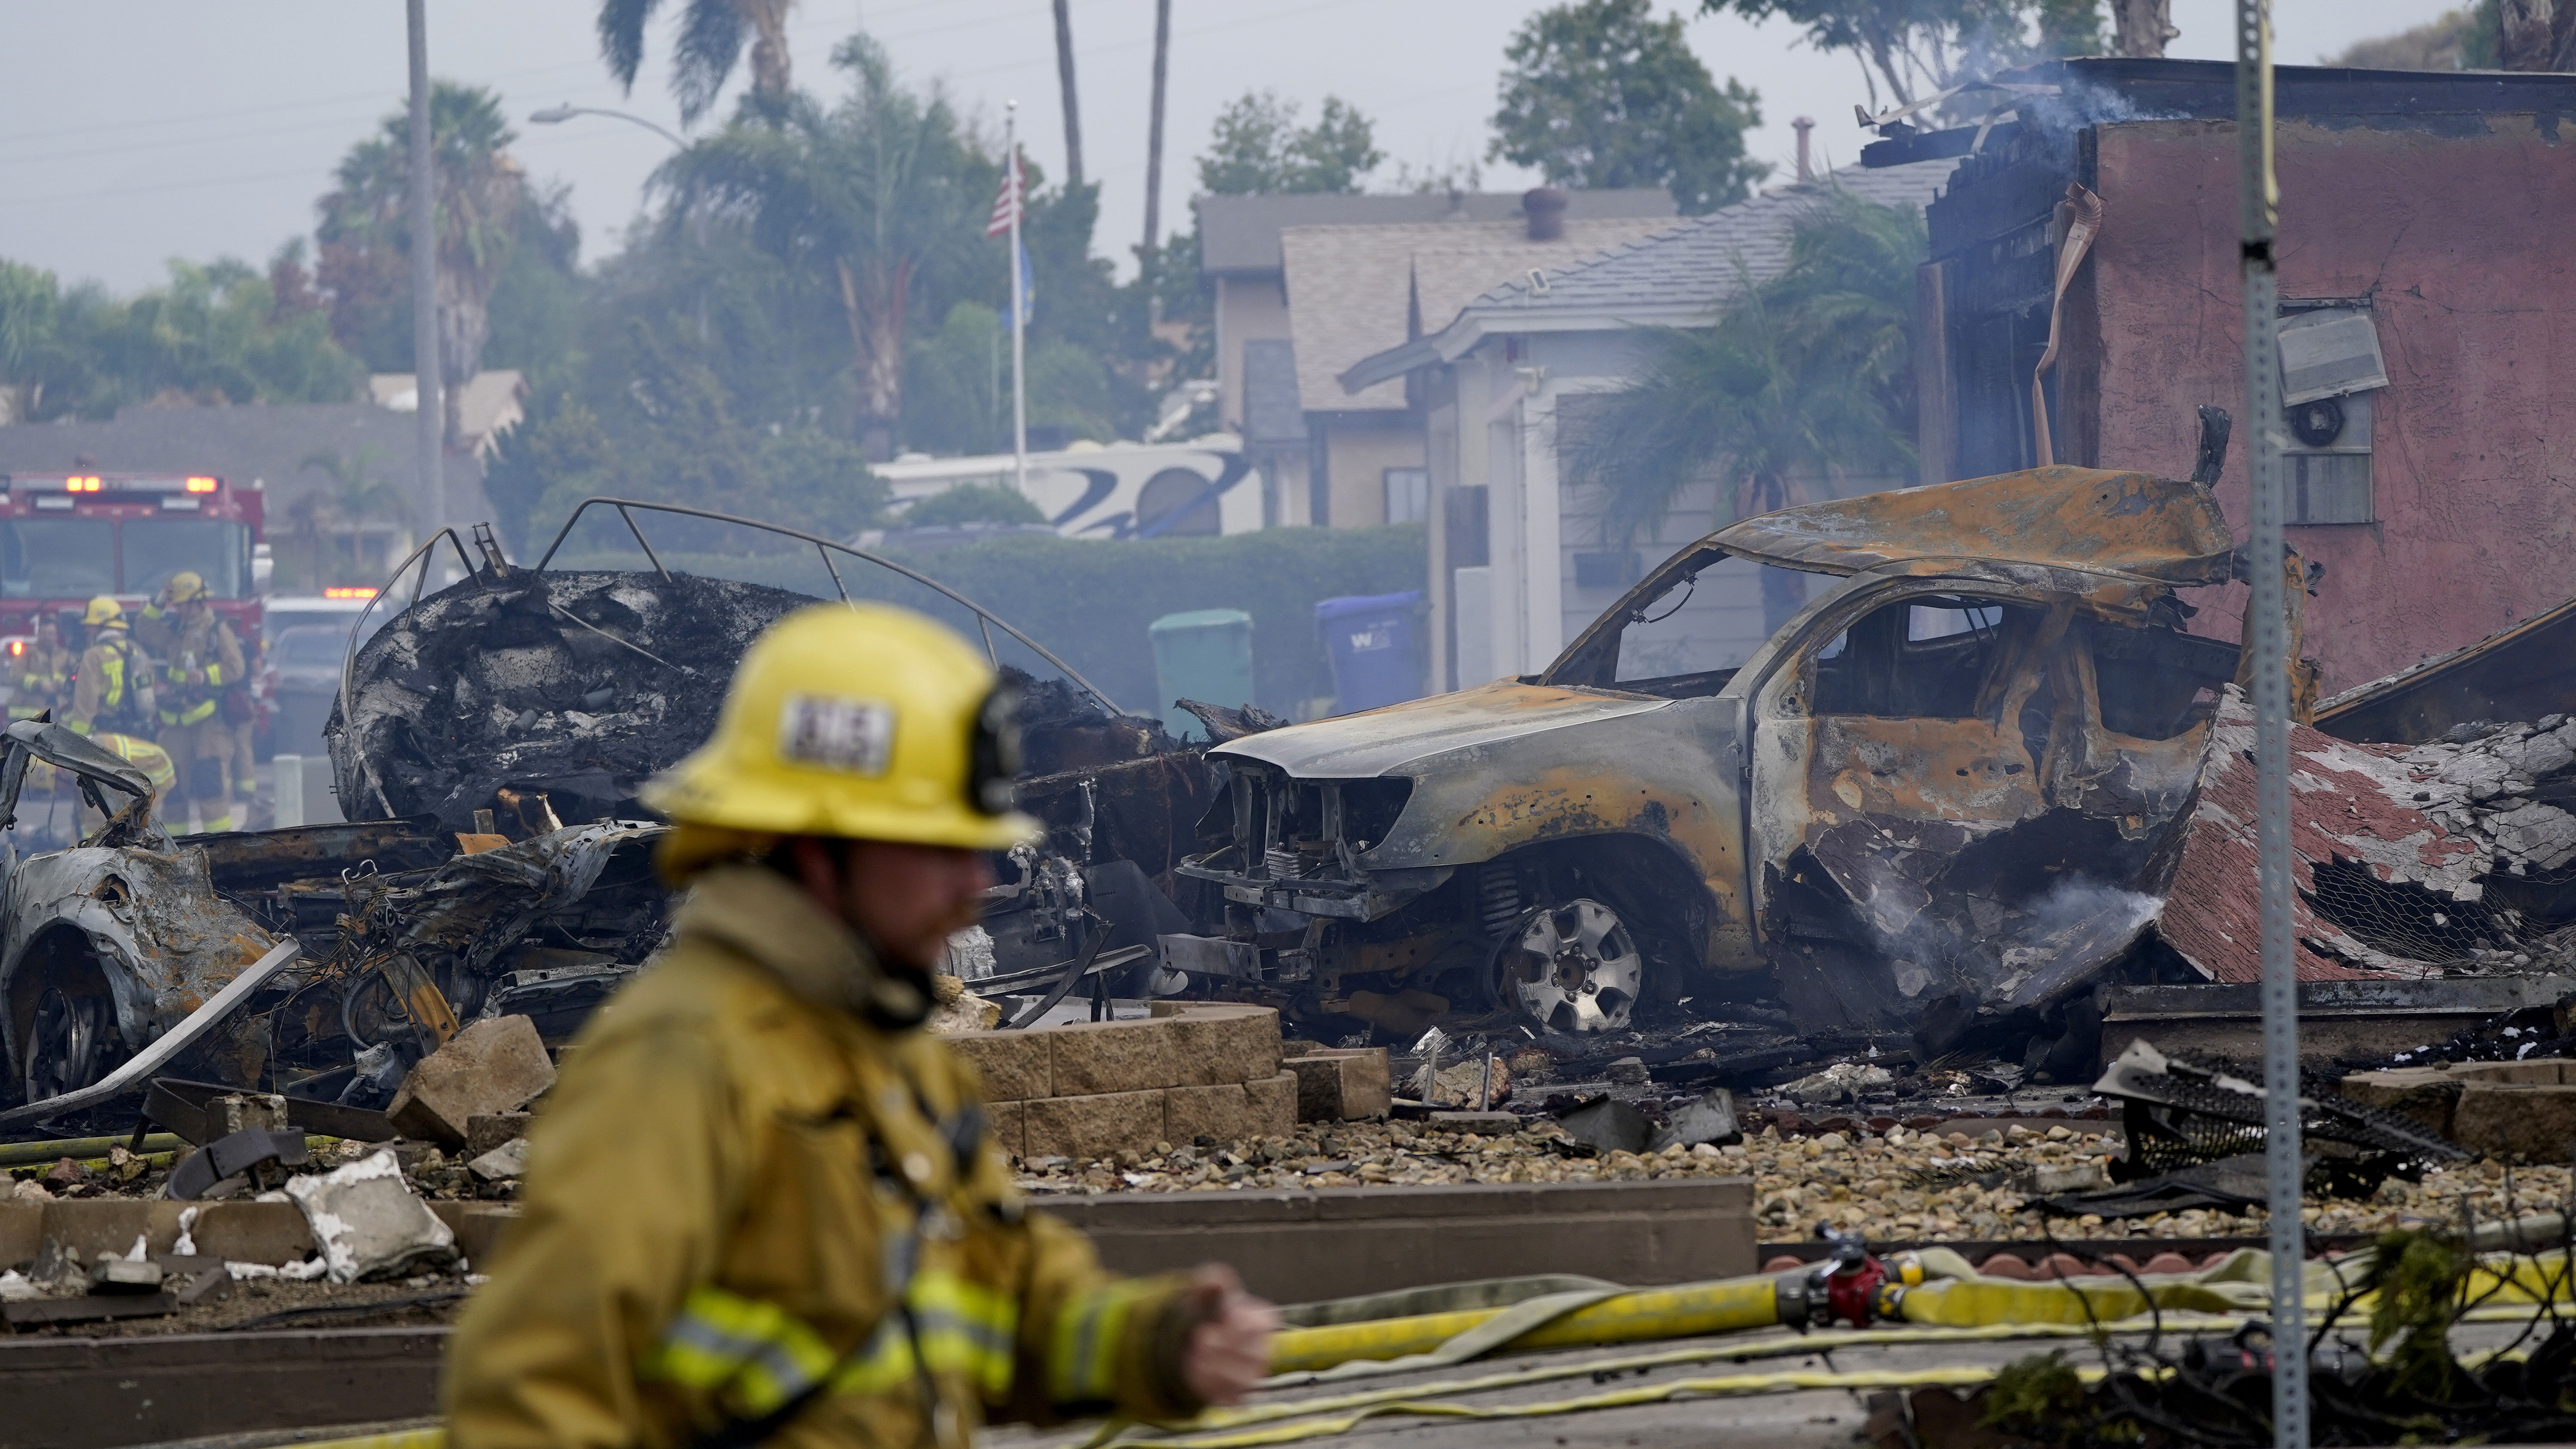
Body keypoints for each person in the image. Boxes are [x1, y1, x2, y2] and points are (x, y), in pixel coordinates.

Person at [445, 603, 1276, 1449]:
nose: (968, 882)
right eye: (933, 846)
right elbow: (532, 1397)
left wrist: (1156, 1343)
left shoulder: (897, 1059)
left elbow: (997, 1307)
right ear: (817, 847)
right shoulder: (682, 1061)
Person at [144, 572, 245, 832]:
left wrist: (206, 675)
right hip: (176, 722)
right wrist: (158, 602)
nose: (177, 610)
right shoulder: (177, 628)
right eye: (175, 605)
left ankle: (219, 847)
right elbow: (144, 631)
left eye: (180, 605)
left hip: (207, 723)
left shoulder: (216, 629)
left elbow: (236, 668)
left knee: (210, 786)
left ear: (196, 602)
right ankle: (176, 850)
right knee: (173, 788)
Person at [10, 612, 73, 724]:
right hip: (29, 715)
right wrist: (39, 685)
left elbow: (75, 676)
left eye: (51, 634)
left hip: (57, 713)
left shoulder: (65, 656)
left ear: (57, 636)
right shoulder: (27, 653)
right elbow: (16, 674)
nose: (47, 637)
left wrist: (61, 684)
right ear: (38, 634)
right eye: (43, 633)